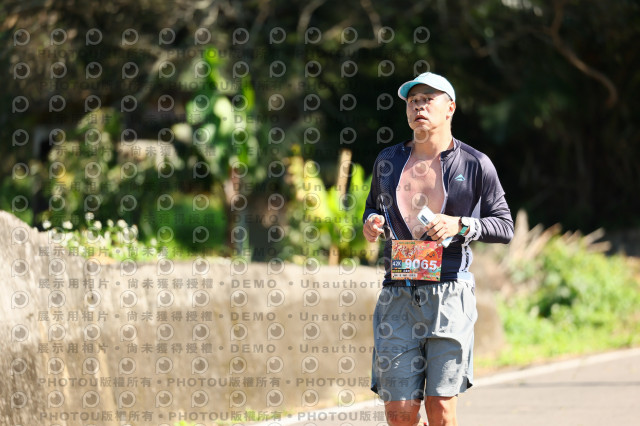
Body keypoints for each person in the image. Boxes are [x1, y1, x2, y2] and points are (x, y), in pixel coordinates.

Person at [362, 72, 513, 426]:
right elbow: (371, 207)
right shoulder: (388, 160)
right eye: (412, 101)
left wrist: (460, 224)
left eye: (428, 99)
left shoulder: (475, 164)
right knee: (399, 412)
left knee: (441, 410)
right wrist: (371, 222)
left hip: (449, 295)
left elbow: (504, 226)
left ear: (450, 108)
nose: (419, 106)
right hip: (398, 294)